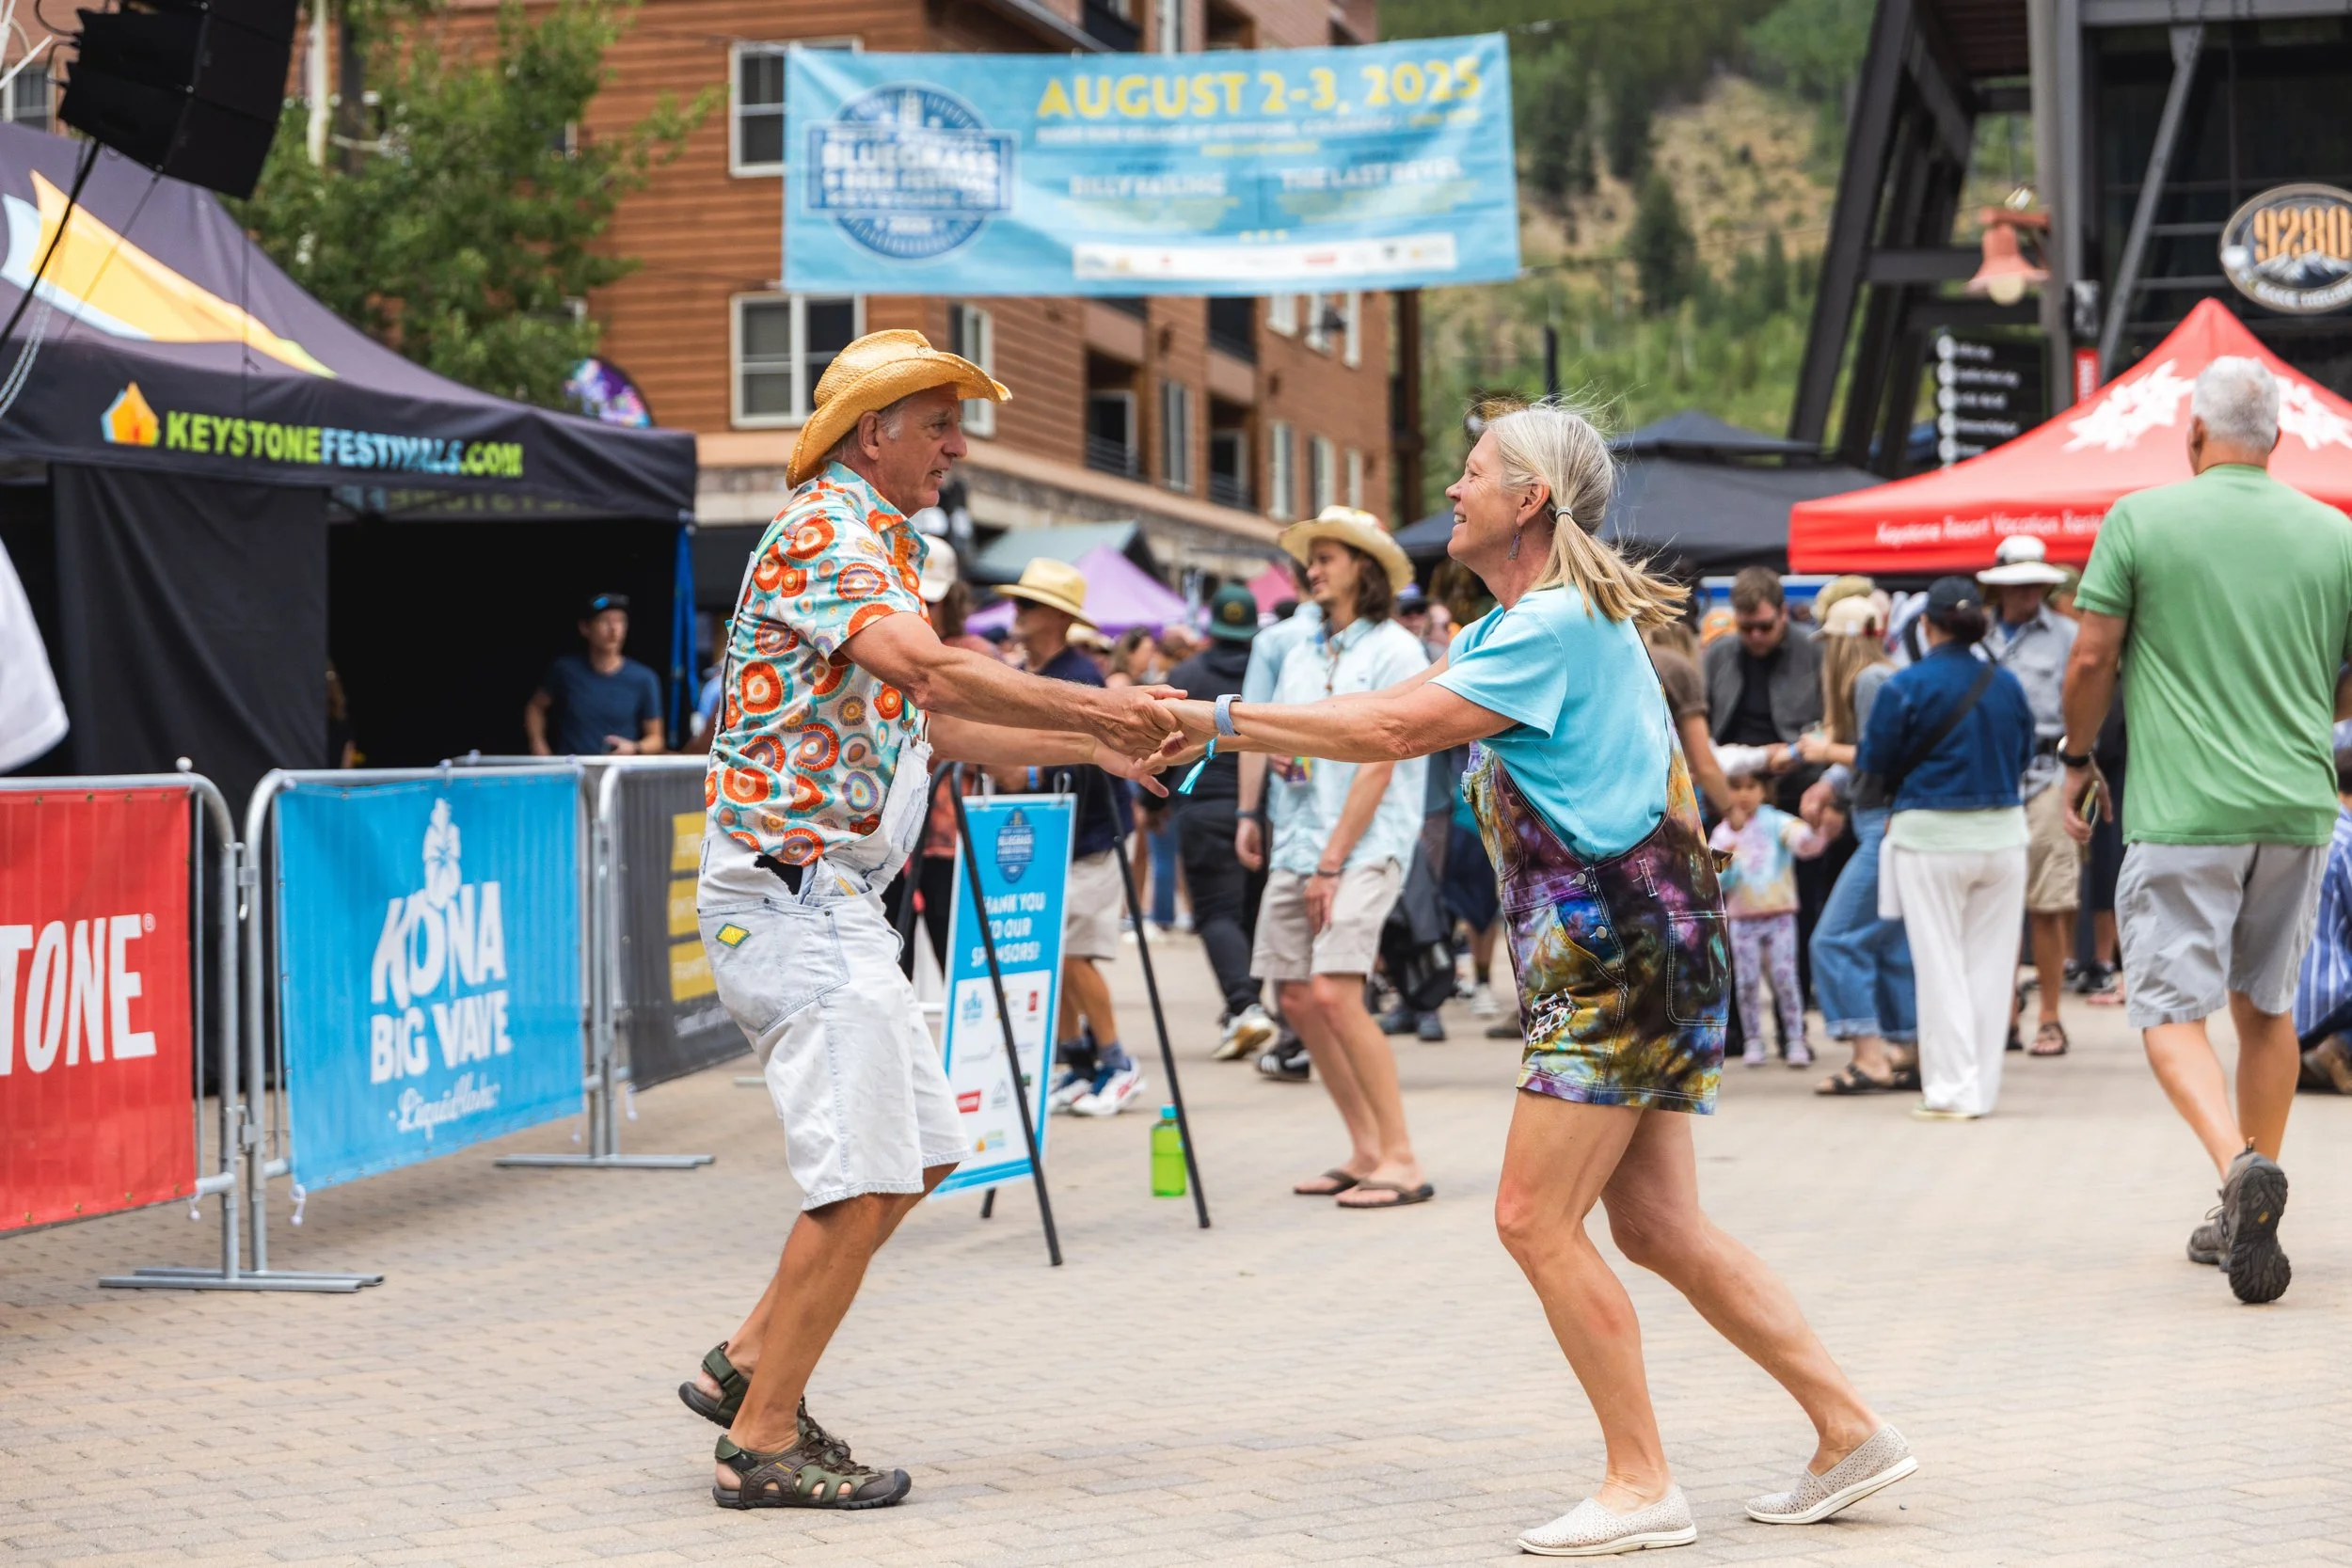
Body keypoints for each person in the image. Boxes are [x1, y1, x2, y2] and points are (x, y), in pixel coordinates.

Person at [1163, 400, 1908, 1555]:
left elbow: (1389, 727)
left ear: (1530, 503)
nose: (1452, 492)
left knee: (1529, 1217)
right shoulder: (1558, 620)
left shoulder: (1548, 623)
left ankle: (1639, 1478)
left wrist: (1217, 718)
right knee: (1658, 1226)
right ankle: (1848, 1429)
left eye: (1472, 474)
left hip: (1611, 956)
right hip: (1645, 946)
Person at [683, 330, 1181, 1510]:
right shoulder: (824, 531)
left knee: (922, 1150)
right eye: (941, 423)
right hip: (793, 889)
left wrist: (1097, 737)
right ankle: (761, 1440)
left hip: (834, 896)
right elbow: (938, 675)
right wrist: (1101, 705)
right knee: (863, 1173)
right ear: (874, 431)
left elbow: (935, 727)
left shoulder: (884, 542)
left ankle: (750, 1357)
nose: (958, 445)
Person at [2061, 355, 2352, 1306]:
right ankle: (2244, 1186)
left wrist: (2076, 756)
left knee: (2167, 1009)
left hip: (2185, 809)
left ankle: (2234, 1166)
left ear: (2192, 435)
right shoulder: (2332, 533)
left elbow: (2092, 654)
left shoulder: (2142, 519)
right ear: (2278, 438)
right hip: (2299, 803)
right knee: (2265, 1008)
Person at [1252, 504, 1434, 1207]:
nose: (1312, 568)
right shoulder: (1301, 650)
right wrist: (1254, 808)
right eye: (1312, 556)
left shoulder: (1395, 650)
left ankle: (1402, 1157)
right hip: (1299, 835)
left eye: (1326, 556)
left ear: (1364, 566)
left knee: (1334, 989)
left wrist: (1331, 860)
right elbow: (1282, 741)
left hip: (1363, 843)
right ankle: (1364, 1148)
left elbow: (1381, 757)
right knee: (1295, 996)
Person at [1865, 578, 2036, 1121]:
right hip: (2004, 835)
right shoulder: (2008, 684)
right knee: (1990, 966)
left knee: (1940, 965)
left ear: (1926, 624)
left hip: (1930, 837)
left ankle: (1951, 1090)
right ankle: (1978, 1089)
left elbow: (1875, 763)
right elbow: (2026, 754)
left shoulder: (1904, 685)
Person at [997, 559, 1151, 1117]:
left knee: (1074, 952)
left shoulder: (1080, 675)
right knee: (1052, 949)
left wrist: (1028, 775)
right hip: (1049, 834)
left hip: (1090, 834)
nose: (1016, 612)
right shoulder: (1033, 671)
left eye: (1027, 604)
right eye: (1017, 603)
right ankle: (1078, 1061)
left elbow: (1091, 759)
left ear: (1058, 617)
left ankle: (1117, 1063)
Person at [1703, 566, 1828, 1058]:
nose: (1755, 636)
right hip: (1729, 800)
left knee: (1797, 914)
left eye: (1764, 626)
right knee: (1723, 913)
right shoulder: (1719, 656)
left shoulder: (1811, 652)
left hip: (1793, 794)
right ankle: (1735, 1028)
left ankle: (1791, 1030)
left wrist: (1795, 755)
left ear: (1782, 614)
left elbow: (1827, 726)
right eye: (1745, 627)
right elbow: (1701, 727)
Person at [1797, 595, 1916, 1095]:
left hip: (1881, 825)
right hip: (1892, 823)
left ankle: (1869, 1057)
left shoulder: (1867, 680)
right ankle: (1910, 1051)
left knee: (1835, 939)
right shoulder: (1888, 675)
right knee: (1889, 944)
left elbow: (1876, 754)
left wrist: (1824, 752)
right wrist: (1829, 781)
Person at [1979, 534, 2082, 1056]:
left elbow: (2086, 707)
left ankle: (2050, 1016)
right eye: (2016, 585)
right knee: (1995, 903)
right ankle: (2003, 1013)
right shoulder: (1977, 637)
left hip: (2046, 773)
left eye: (2034, 583)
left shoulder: (2067, 635)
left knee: (2047, 902)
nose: (2026, 593)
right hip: (1988, 779)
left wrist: (2077, 774)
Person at [1168, 584, 1278, 1060]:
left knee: (1215, 912)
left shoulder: (1185, 675)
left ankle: (1244, 1004)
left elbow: (1162, 744)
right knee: (1251, 912)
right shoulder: (1268, 676)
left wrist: (1152, 809)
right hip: (1263, 810)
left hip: (1202, 807)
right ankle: (1246, 1005)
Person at [1237, 561, 1325, 1081]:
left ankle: (1299, 1042)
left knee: (1294, 936)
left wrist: (1247, 813)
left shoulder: (1279, 641)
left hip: (1299, 814)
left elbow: (1252, 729)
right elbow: (1252, 730)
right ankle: (1318, 1040)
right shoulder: (1285, 644)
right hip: (1330, 814)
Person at [1711, 768, 1831, 1069]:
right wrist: (1731, 860)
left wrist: (1819, 829)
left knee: (1785, 978)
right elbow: (1716, 879)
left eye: (1751, 786)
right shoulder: (1722, 833)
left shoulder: (1777, 822)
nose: (1744, 794)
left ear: (1763, 790)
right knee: (1747, 982)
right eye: (1735, 787)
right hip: (1742, 918)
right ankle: (1753, 1039)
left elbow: (1806, 844)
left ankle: (1795, 1038)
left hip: (1779, 916)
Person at [526, 593, 666, 756]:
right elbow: (535, 707)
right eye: (604, 621)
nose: (614, 629)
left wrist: (634, 747)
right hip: (573, 771)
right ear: (585, 628)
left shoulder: (644, 678)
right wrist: (538, 745)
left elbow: (656, 739)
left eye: (620, 621)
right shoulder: (564, 671)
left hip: (617, 774)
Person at [2291, 752, 2352, 1095]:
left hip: (2277, 1006)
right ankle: (2341, 1045)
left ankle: (2308, 1056)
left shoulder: (2299, 830)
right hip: (2329, 996)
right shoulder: (2347, 842)